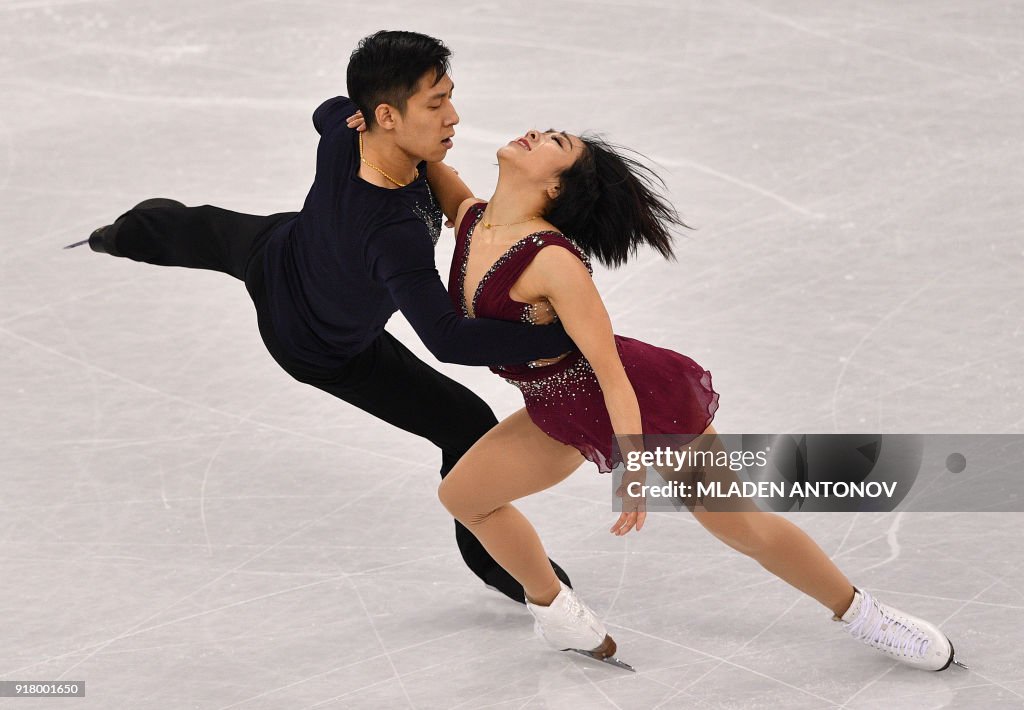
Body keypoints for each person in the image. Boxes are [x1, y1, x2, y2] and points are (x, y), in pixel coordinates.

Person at [372, 121, 965, 671]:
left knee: (739, 527)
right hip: (556, 404)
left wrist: (631, 467)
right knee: (465, 496)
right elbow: (424, 160)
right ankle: (555, 612)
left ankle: (865, 615)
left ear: (555, 185)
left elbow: (610, 370)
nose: (535, 133)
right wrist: (366, 115)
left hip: (642, 399)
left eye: (554, 141)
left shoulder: (553, 261)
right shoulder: (474, 218)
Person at [62, 30, 577, 605]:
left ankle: (122, 234)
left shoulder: (346, 133)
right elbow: (448, 338)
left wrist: (366, 129)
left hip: (287, 244)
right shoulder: (393, 235)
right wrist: (556, 333)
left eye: (449, 96)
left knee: (201, 228)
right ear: (386, 114)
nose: (453, 116)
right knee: (467, 422)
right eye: (436, 103)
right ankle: (113, 237)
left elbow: (326, 109)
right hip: (317, 343)